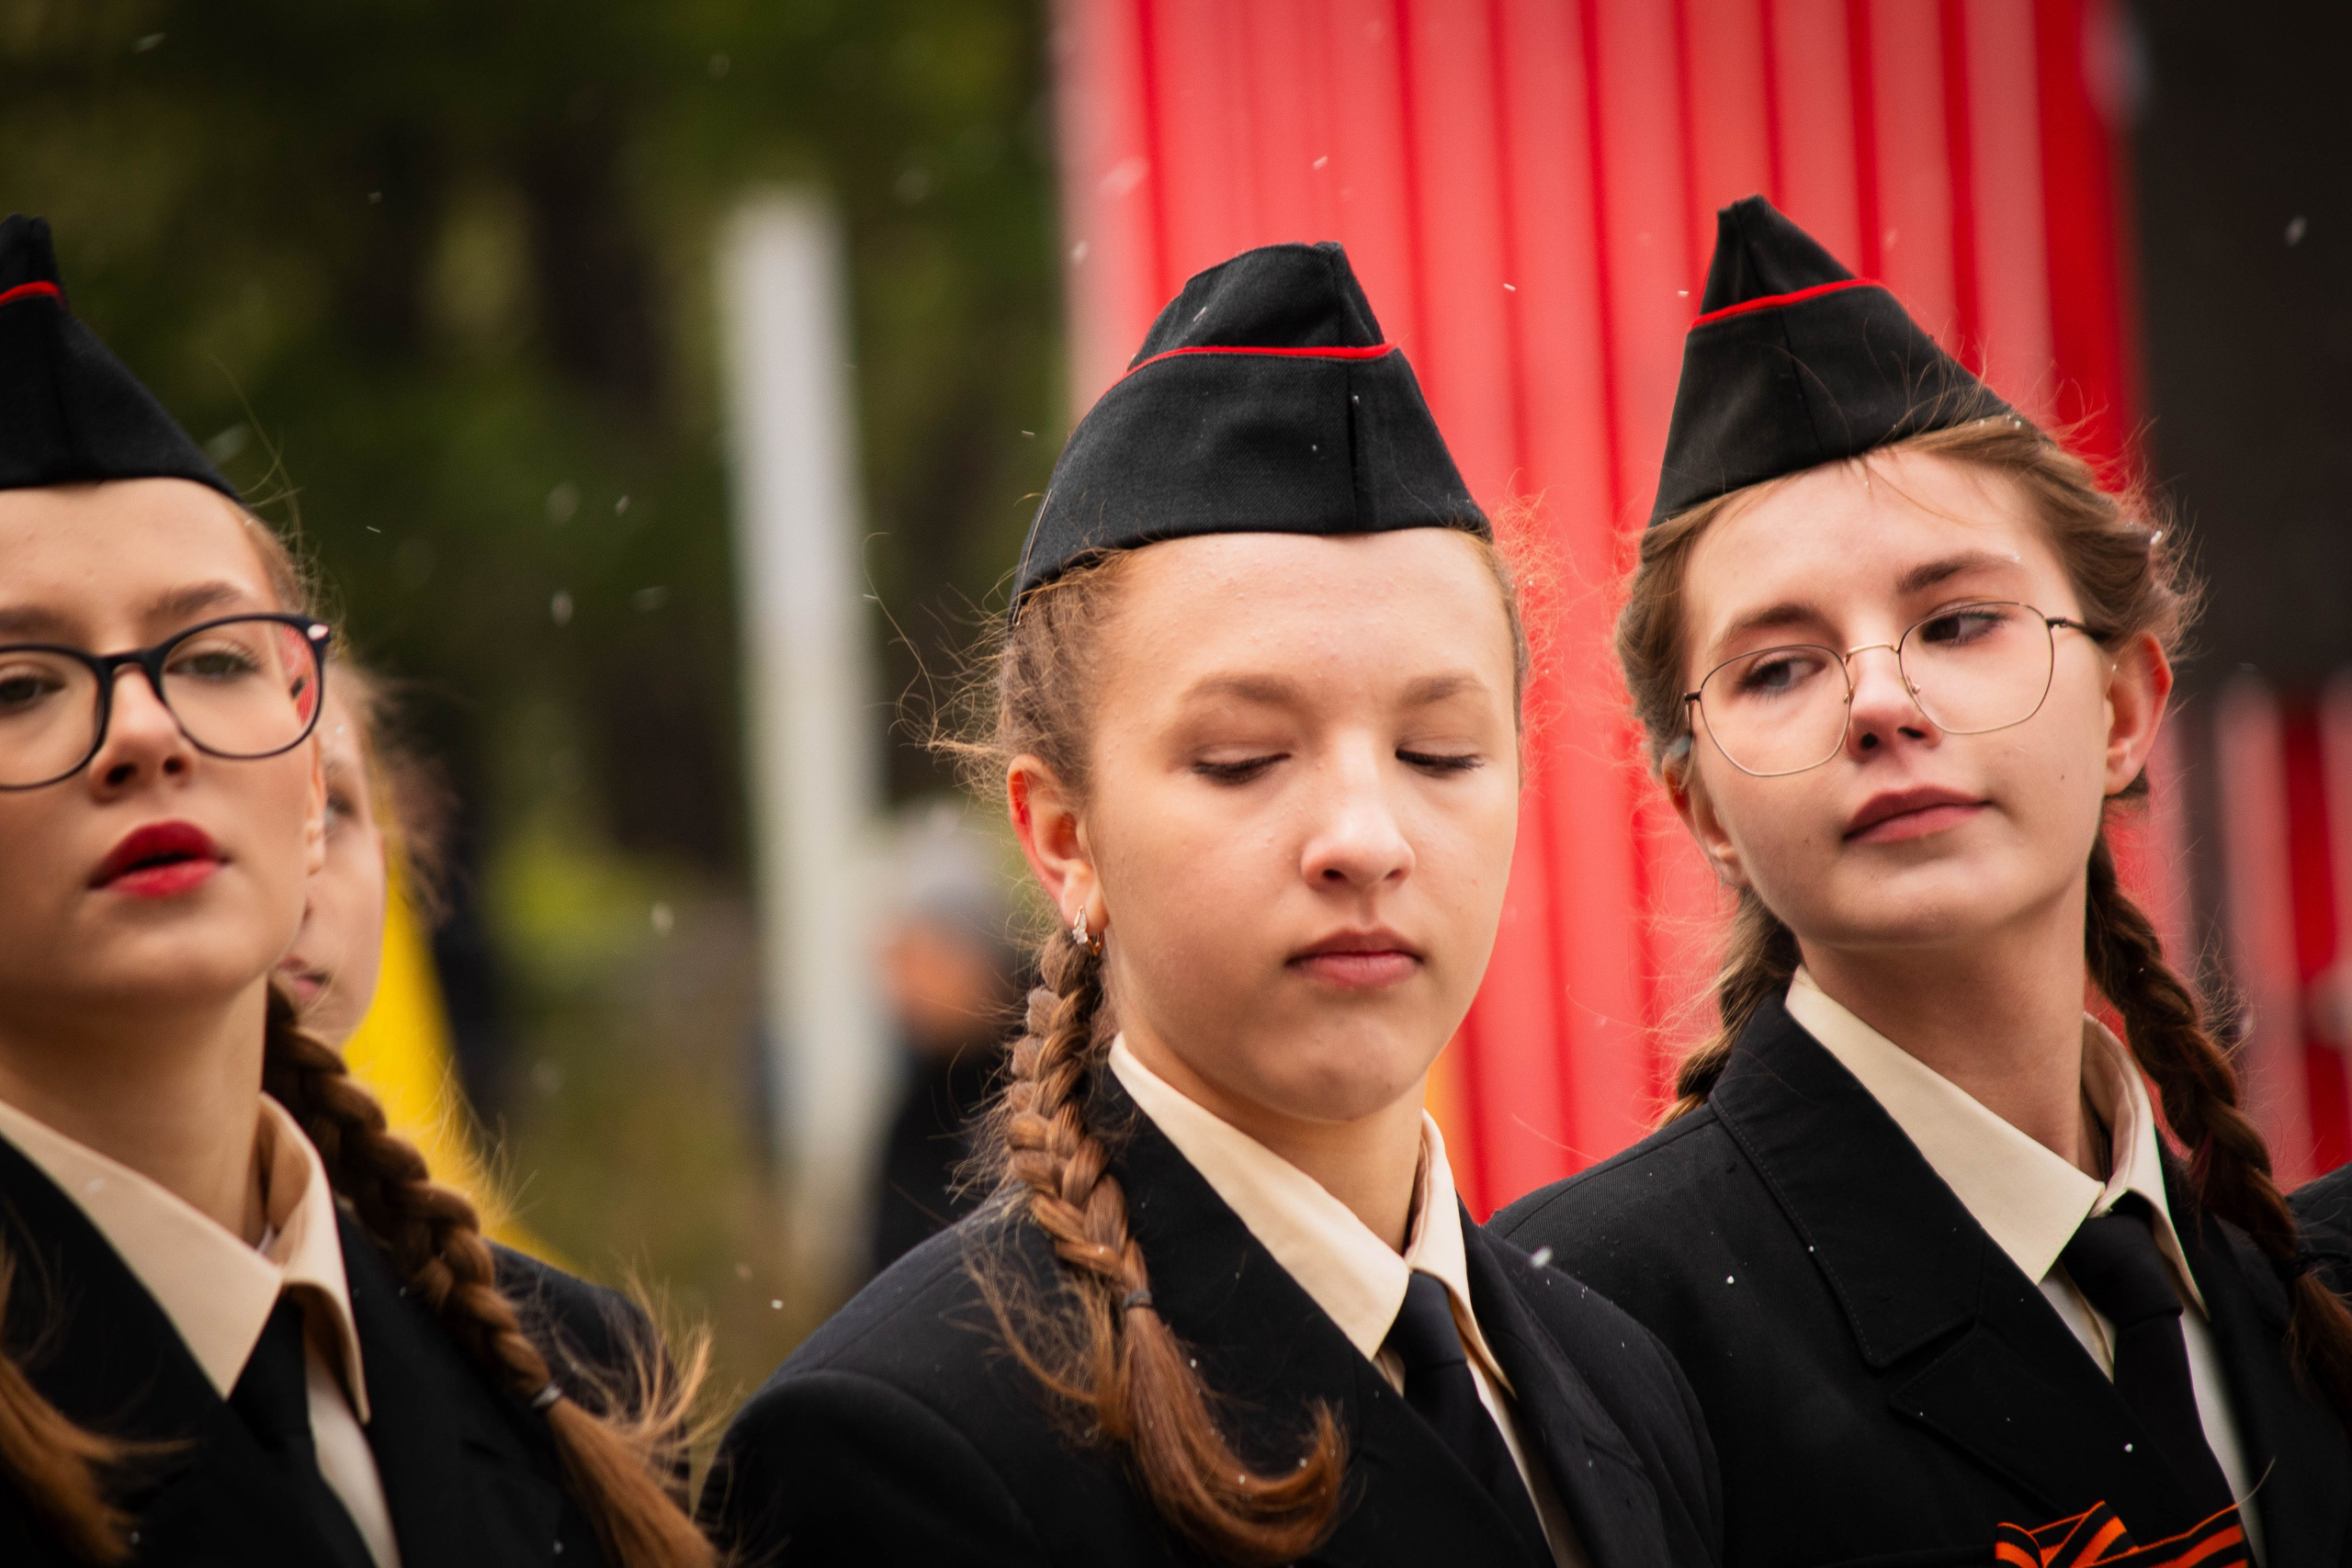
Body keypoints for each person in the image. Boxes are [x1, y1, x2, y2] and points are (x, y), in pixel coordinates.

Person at [702, 243, 1720, 1567]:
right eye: (1245, 757)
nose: (1366, 837)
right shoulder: (901, 1447)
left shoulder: (1621, 1377)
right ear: (1064, 838)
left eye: (1439, 754)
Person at [1493, 197, 2352, 1563]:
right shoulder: (1581, 1328)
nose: (1880, 701)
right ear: (1701, 799)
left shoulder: (2307, 1299)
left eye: (1958, 621)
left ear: (2125, 705)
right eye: (1779, 666)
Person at [0, 213, 711, 1568]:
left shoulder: (582, 1381)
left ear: (318, 778)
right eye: (19, 684)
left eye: (211, 654)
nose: (147, 729)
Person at [865, 801, 1022, 1278]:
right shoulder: (918, 1105)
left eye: (914, 958)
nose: (897, 989)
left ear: (970, 952)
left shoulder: (1056, 1071)